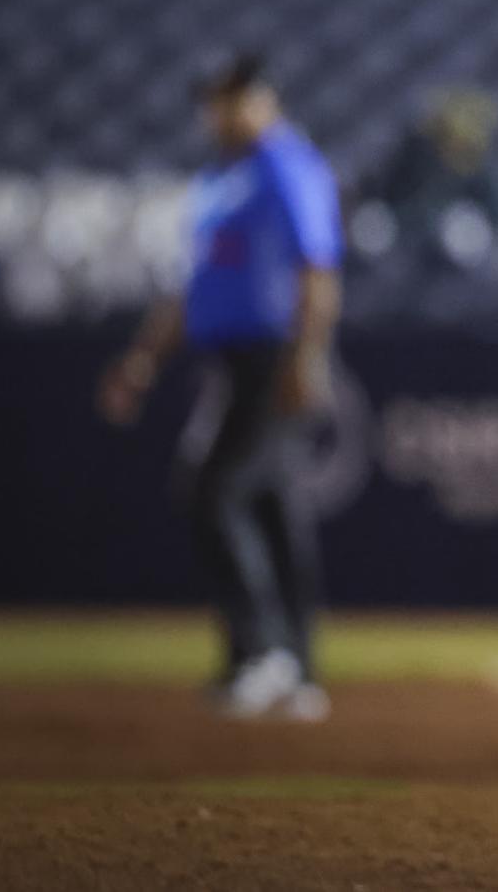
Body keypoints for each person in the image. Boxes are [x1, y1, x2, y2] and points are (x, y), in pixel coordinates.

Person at [97, 54, 342, 720]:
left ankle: (266, 654)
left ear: (263, 100)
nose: (216, 113)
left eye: (229, 99)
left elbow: (317, 271)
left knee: (215, 489)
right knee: (268, 502)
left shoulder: (288, 166)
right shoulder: (217, 179)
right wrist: (142, 358)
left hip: (273, 356)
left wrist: (306, 358)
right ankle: (289, 665)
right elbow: (191, 284)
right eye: (211, 101)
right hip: (229, 359)